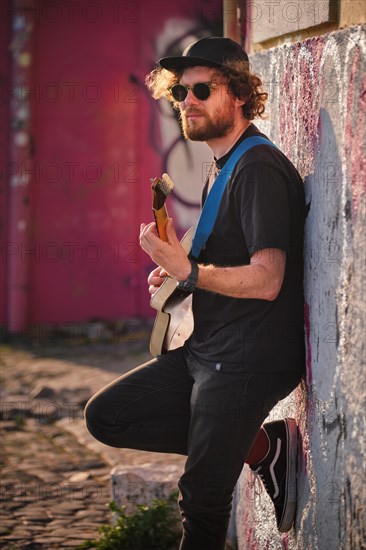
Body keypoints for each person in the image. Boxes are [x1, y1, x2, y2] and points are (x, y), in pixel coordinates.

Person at [85, 36, 306, 549]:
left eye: (203, 88)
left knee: (202, 500)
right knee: (108, 415)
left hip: (249, 358)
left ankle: (245, 445)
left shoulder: (257, 169)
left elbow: (268, 277)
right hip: (209, 350)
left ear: (241, 95)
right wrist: (177, 273)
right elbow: (215, 262)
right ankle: (261, 445)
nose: (189, 101)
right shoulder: (222, 166)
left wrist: (190, 271)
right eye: (181, 92)